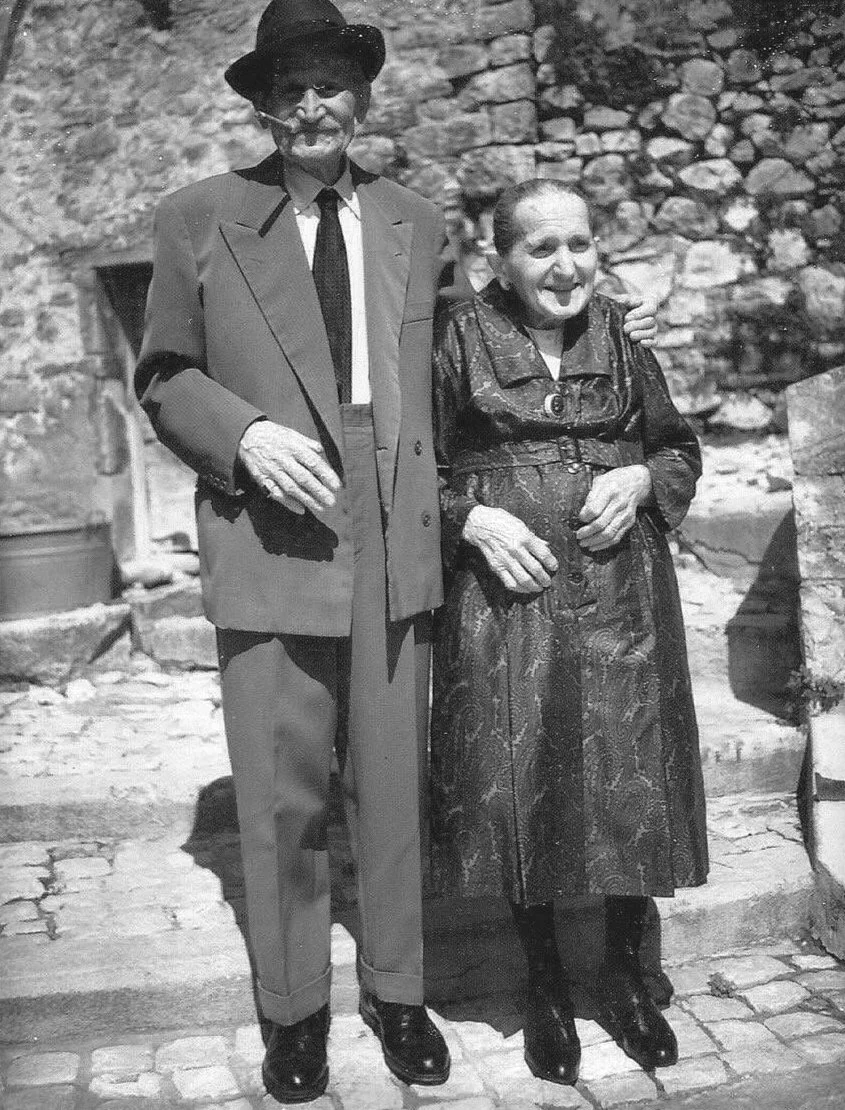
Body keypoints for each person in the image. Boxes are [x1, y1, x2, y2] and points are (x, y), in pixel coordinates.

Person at [136, 1, 657, 1099]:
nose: (310, 102)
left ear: (361, 98)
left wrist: (567, 463)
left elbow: (462, 387)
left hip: (395, 531)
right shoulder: (195, 216)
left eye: (329, 81)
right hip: (267, 521)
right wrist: (244, 435)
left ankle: (397, 988)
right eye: (288, 85)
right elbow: (164, 374)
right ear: (262, 103)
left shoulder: (417, 221)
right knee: (280, 798)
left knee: (390, 787)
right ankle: (290, 1013)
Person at [430, 178, 708, 1086]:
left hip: (622, 589)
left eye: (580, 245)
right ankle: (544, 985)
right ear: (499, 261)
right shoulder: (454, 341)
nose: (565, 266)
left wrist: (638, 481)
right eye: (540, 249)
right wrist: (469, 518)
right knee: (522, 776)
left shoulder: (625, 342)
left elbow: (676, 446)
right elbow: (414, 471)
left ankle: (624, 978)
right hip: (507, 595)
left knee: (630, 764)